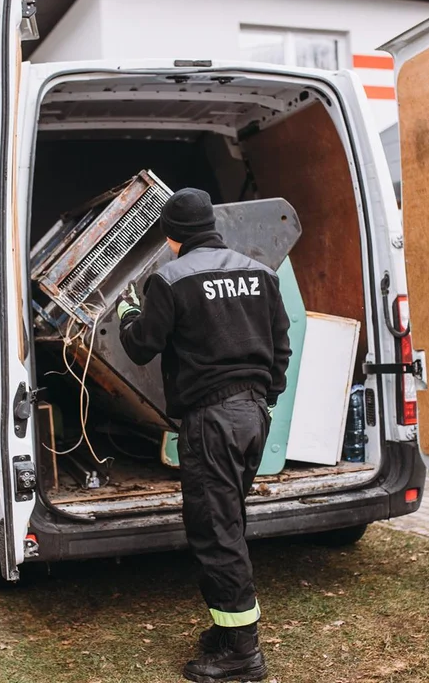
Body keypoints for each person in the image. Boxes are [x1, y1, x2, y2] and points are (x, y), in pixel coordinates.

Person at [115, 188, 291, 683]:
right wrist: (264, 396)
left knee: (216, 533)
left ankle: (242, 653)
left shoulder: (170, 279)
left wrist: (131, 311)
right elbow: (281, 347)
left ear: (173, 235)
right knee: (229, 521)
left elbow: (141, 346)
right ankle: (227, 629)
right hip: (254, 414)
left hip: (211, 422)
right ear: (212, 224)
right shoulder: (260, 272)